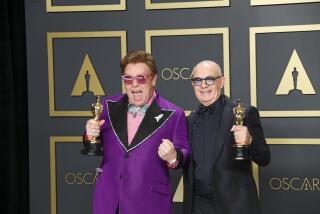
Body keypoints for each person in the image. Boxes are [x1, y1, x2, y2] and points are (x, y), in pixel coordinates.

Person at [84, 50, 190, 214]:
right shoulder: (108, 106)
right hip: (109, 200)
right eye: (128, 78)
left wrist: (173, 157)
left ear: (153, 79)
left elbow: (184, 153)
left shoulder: (174, 114)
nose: (134, 84)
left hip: (150, 203)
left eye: (141, 78)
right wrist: (90, 134)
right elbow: (95, 145)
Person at [183, 60, 271, 214]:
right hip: (198, 205)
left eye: (210, 79)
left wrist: (249, 141)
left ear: (221, 82)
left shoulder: (245, 112)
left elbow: (264, 158)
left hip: (235, 205)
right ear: (193, 85)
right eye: (198, 80)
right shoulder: (189, 120)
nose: (203, 85)